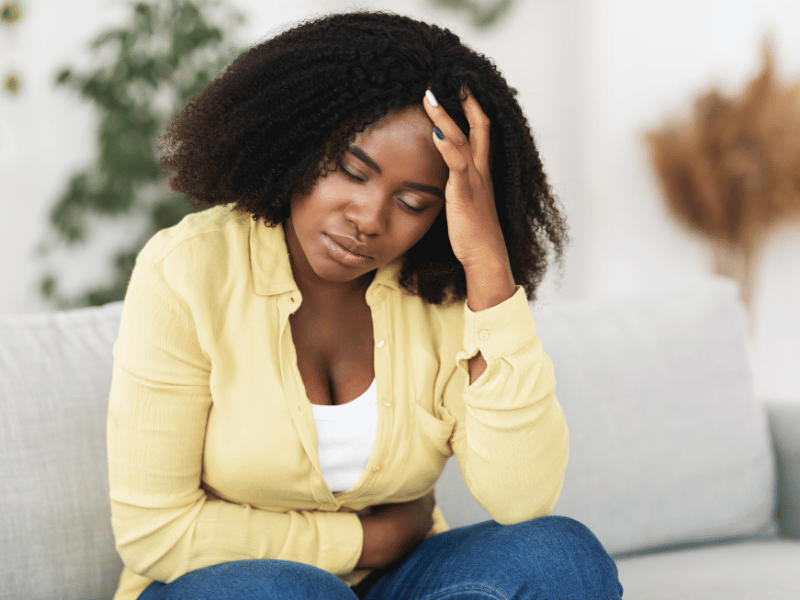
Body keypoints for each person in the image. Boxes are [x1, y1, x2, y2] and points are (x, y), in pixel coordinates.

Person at [107, 11, 623, 600]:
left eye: (413, 202)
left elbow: (522, 497)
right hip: (222, 585)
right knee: (289, 593)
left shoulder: (447, 291)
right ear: (301, 139)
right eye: (352, 172)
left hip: (397, 582)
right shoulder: (188, 271)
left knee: (562, 556)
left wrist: (488, 270)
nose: (370, 219)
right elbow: (155, 533)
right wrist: (366, 544)